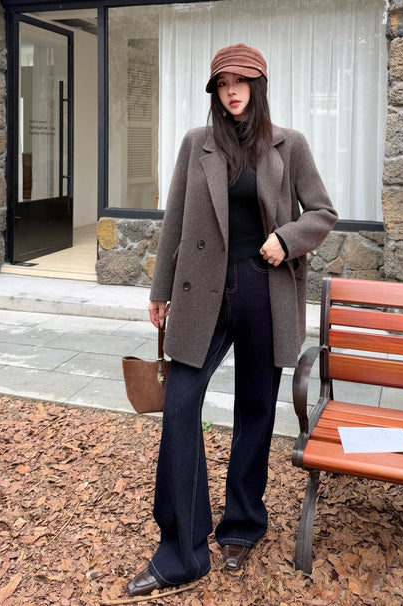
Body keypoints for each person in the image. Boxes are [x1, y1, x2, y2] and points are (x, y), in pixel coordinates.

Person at [127, 43, 337, 597]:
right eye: (223, 84)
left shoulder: (290, 145)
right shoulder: (196, 144)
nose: (232, 92)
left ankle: (242, 523)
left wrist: (285, 239)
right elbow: (175, 219)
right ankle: (182, 550)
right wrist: (160, 289)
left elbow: (322, 211)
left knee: (255, 409)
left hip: (265, 290)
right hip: (204, 294)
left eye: (241, 82)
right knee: (179, 406)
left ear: (258, 86)